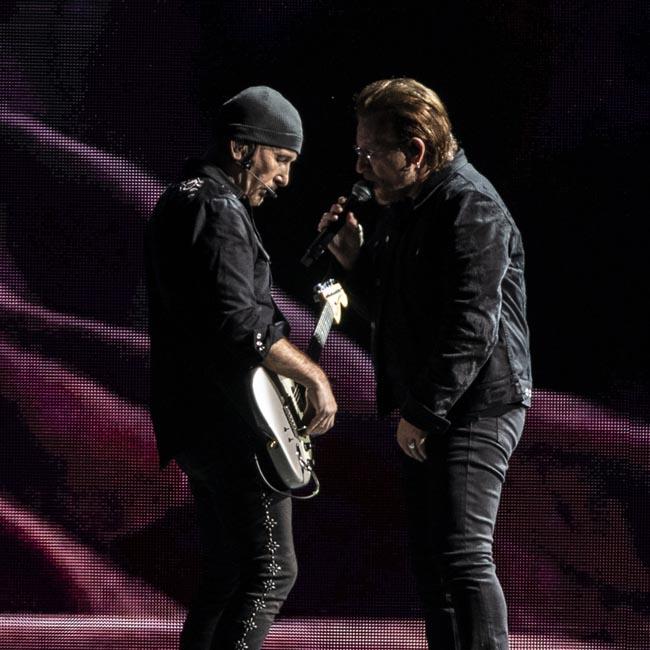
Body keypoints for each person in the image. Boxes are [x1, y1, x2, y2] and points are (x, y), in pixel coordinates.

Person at [318, 78, 532, 650]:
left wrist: (425, 410)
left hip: (478, 404)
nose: (360, 167)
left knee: (463, 556)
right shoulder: (410, 209)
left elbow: (473, 323)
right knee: (435, 569)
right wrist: (354, 263)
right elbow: (395, 315)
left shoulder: (470, 206)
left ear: (414, 150)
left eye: (370, 152)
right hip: (434, 405)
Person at [145, 86, 337, 650]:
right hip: (234, 425)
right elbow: (239, 323)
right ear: (240, 148)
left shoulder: (180, 198)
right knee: (272, 573)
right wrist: (315, 376)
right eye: (280, 159)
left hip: (195, 420)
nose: (284, 178)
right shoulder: (219, 207)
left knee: (225, 575)